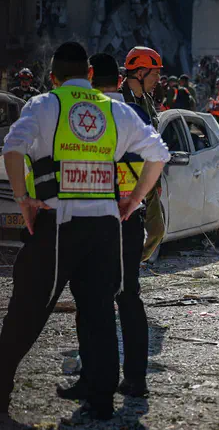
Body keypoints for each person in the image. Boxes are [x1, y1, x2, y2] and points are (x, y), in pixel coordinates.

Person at [0, 41, 169, 423]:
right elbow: (159, 154)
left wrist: (24, 199)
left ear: (53, 77)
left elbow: (12, 147)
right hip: (105, 226)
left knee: (25, 314)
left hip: (57, 224)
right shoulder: (115, 110)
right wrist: (134, 200)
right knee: (98, 313)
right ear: (88, 74)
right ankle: (101, 402)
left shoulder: (44, 105)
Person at [54, 53, 152, 404]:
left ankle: (93, 379)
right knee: (126, 296)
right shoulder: (135, 114)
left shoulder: (82, 114)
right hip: (127, 218)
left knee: (89, 299)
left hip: (90, 217)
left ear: (89, 76)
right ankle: (133, 378)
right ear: (121, 79)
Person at [120, 46, 166, 262]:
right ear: (140, 73)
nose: (158, 79)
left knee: (156, 230)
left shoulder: (147, 100)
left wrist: (157, 179)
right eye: (154, 73)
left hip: (147, 176)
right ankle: (123, 268)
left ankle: (129, 263)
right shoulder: (118, 99)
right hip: (124, 179)